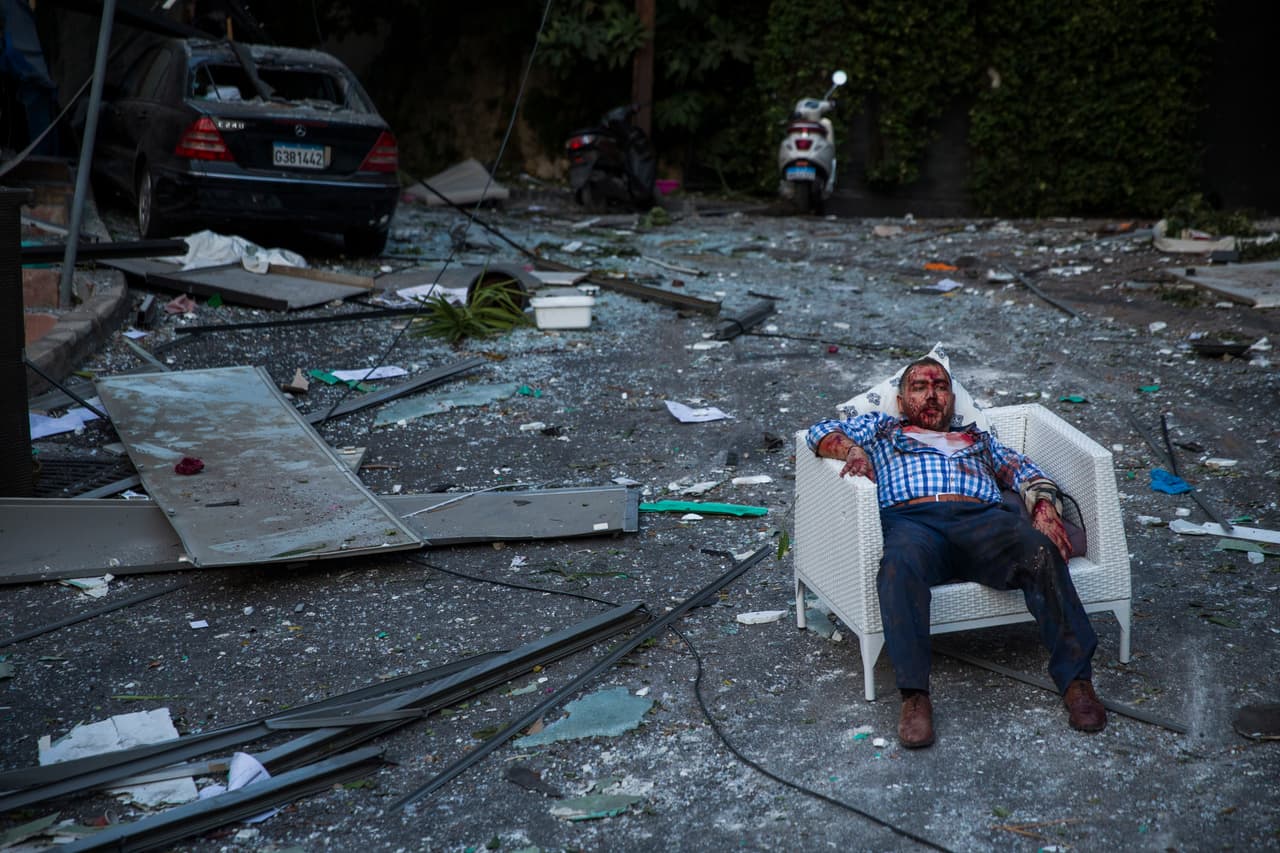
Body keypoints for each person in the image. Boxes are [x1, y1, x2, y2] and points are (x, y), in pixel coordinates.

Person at [806, 356, 1106, 748]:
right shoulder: (881, 430)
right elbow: (818, 431)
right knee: (898, 565)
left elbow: (1025, 470)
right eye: (919, 387)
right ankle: (915, 697)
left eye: (940, 387)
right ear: (900, 401)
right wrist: (852, 452)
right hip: (913, 521)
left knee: (1040, 551)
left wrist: (1045, 506)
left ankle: (1077, 682)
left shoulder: (978, 440)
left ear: (951, 398)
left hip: (981, 521)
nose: (931, 395)